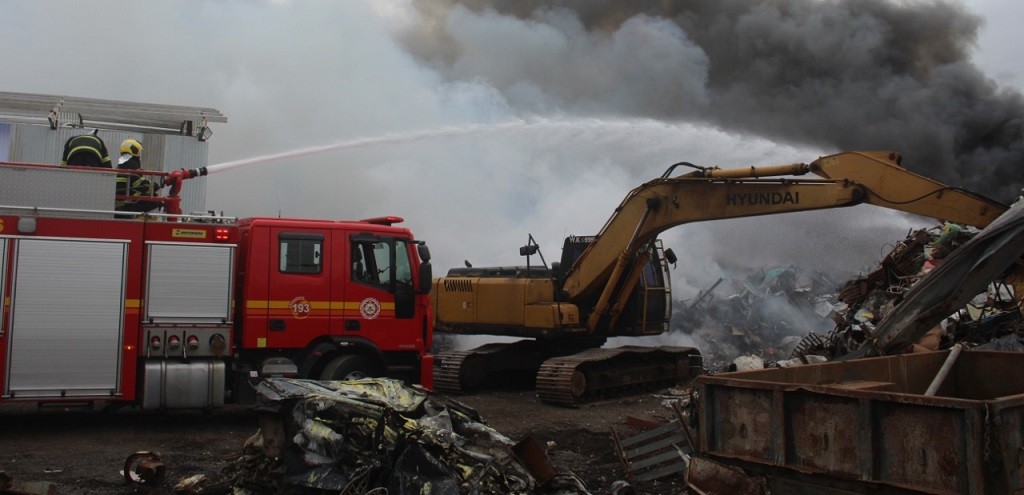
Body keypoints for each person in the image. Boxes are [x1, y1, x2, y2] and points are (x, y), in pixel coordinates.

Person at [115, 139, 162, 215]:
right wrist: (154, 186)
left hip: (119, 201)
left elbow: (134, 182)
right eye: (138, 151)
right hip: (124, 204)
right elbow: (140, 183)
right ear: (133, 150)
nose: (139, 154)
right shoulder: (131, 164)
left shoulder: (121, 164)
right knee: (155, 200)